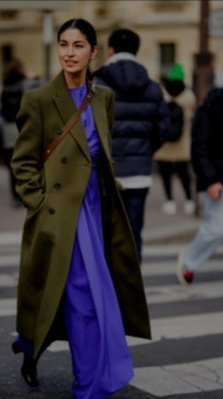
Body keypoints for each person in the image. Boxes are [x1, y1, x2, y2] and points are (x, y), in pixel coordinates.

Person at [10, 18, 151, 399]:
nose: (70, 52)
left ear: (94, 52)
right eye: (63, 44)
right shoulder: (38, 98)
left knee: (96, 299)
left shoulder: (103, 97)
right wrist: (39, 204)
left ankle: (28, 340)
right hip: (58, 216)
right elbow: (22, 162)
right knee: (85, 302)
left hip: (97, 211)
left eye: (78, 45)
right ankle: (87, 393)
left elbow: (102, 153)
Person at [92, 28, 171, 261]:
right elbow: (163, 129)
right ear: (137, 50)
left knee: (104, 236)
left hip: (104, 174)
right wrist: (145, 151)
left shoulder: (95, 83)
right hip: (139, 174)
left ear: (111, 50)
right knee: (134, 235)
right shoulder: (153, 87)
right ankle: (132, 291)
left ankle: (107, 291)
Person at [177, 87, 223, 287]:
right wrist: (210, 179)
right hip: (218, 179)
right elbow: (199, 147)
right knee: (216, 229)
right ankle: (188, 261)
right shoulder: (209, 109)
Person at [156, 63, 197, 215]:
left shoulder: (161, 93)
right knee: (184, 172)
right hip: (182, 141)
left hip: (163, 141)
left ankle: (169, 201)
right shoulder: (189, 96)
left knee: (165, 172)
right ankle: (189, 199)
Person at [0, 58, 26, 207]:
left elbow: (3, 108)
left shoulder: (5, 84)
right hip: (22, 127)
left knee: (12, 163)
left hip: (8, 127)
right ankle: (24, 193)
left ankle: (15, 195)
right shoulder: (24, 84)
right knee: (25, 162)